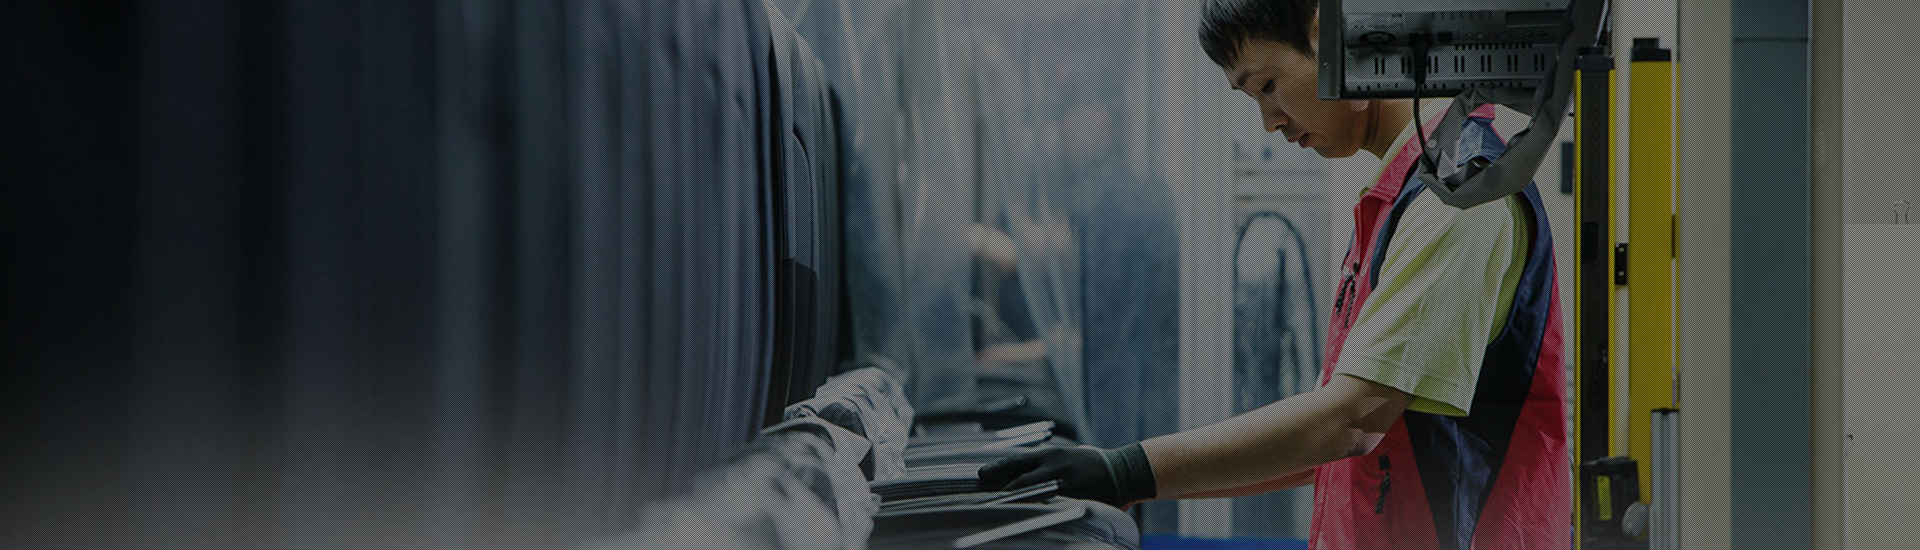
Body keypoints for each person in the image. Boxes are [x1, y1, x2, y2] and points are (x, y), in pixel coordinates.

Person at [976, 1, 1570, 548]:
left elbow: (1354, 418)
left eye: (1268, 84)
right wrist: (1135, 480)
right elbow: (1330, 444)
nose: (1269, 122)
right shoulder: (1401, 195)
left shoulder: (1462, 195)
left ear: (1341, 44)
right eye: (1251, 96)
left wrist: (1127, 469)